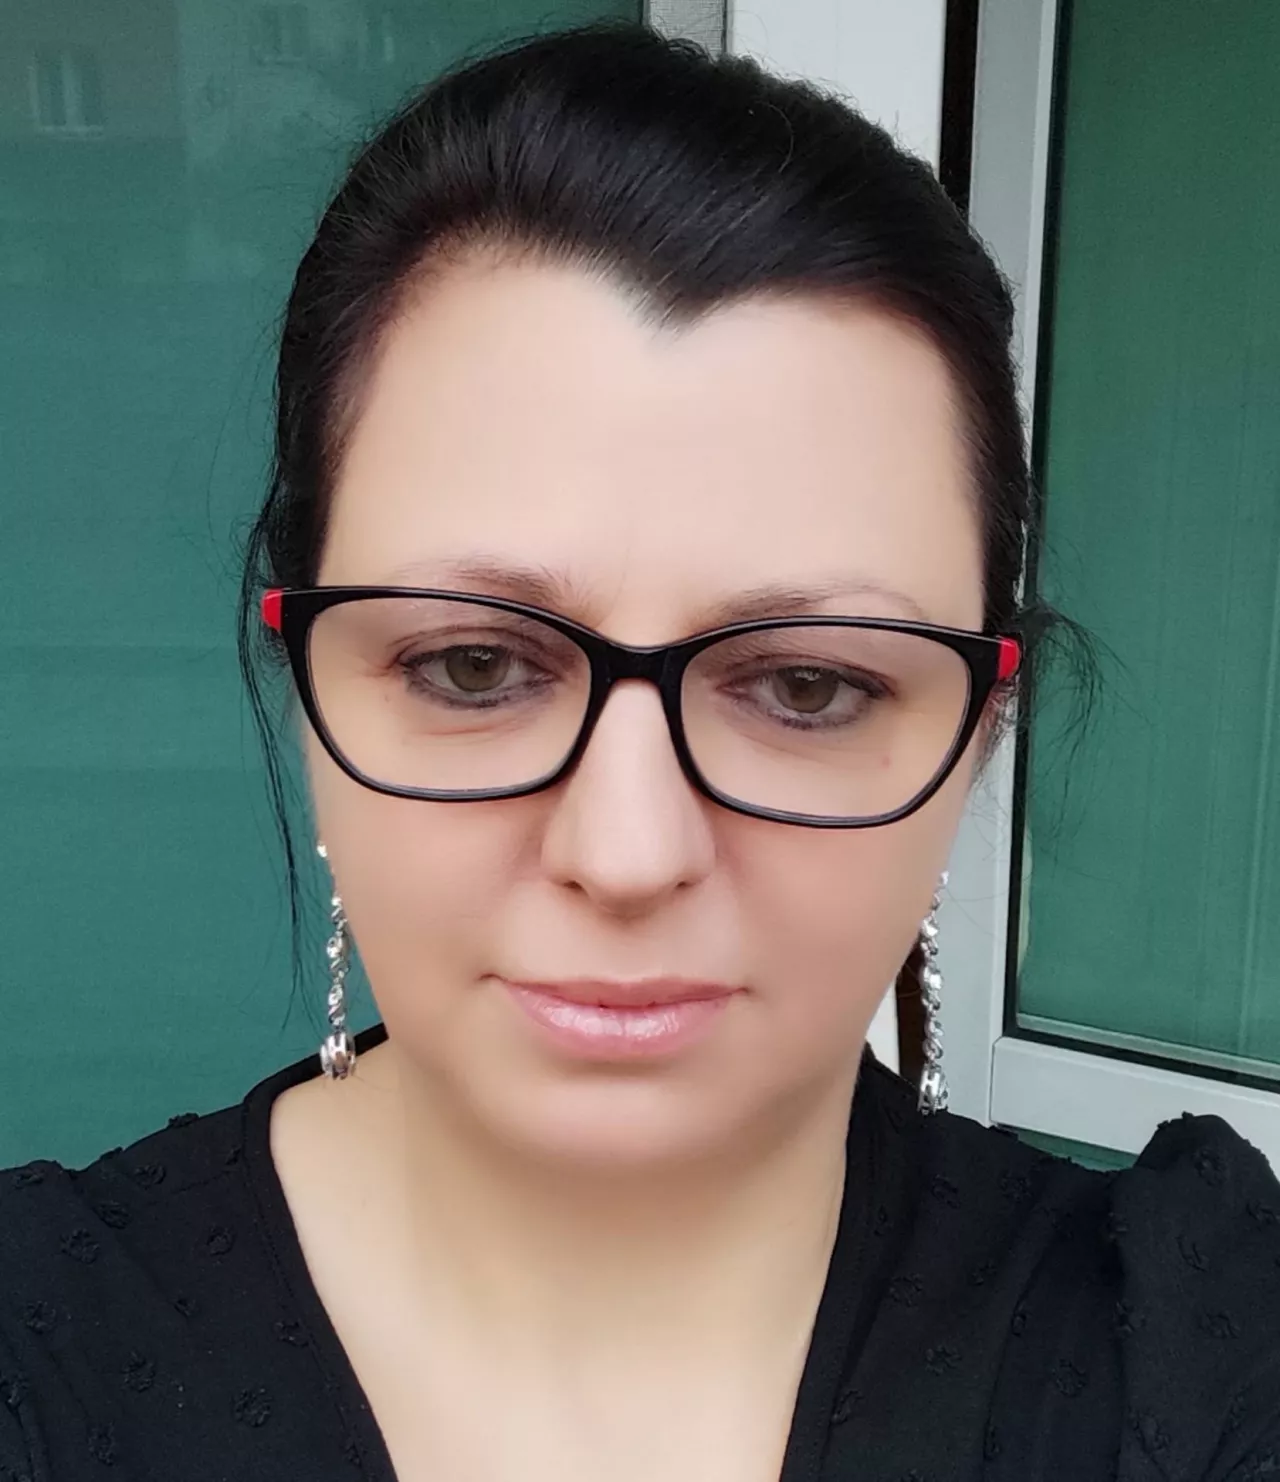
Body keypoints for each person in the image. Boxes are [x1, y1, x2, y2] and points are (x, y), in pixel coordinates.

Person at [2, 22, 1278, 1481]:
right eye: (475, 666)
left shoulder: (1187, 1359)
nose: (625, 853)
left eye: (806, 684)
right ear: (306, 686)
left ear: (983, 729)